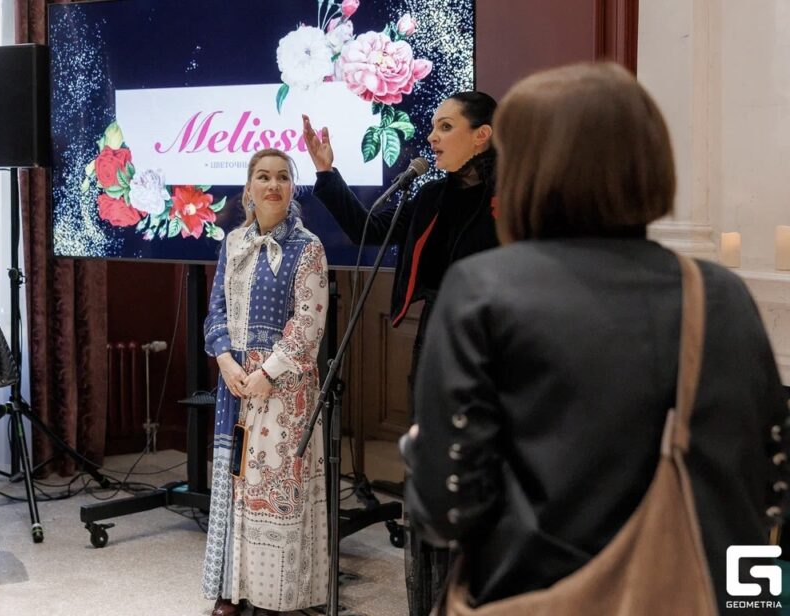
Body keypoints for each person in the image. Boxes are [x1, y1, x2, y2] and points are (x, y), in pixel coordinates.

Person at [403, 62, 790, 614]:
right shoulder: (718, 294)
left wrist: (421, 451)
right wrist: (759, 604)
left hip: (528, 599)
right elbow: (769, 488)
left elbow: (444, 512)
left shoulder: (482, 291)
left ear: (527, 168)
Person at [302, 92, 499, 615]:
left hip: (496, 345)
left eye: (446, 126)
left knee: (482, 470)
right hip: (436, 338)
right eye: (433, 126)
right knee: (434, 469)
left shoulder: (517, 195)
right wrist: (327, 173)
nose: (431, 136)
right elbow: (368, 230)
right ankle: (432, 600)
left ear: (482, 136)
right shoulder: (432, 195)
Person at [201, 148, 329, 616]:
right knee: (235, 485)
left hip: (282, 389)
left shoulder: (308, 247)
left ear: (292, 189)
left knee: (274, 491)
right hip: (235, 385)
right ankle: (233, 589)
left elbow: (308, 324)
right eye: (263, 177)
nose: (273, 185)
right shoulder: (233, 242)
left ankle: (276, 595)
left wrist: (266, 373)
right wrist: (225, 362)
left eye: (282, 177)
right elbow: (215, 310)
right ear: (249, 190)